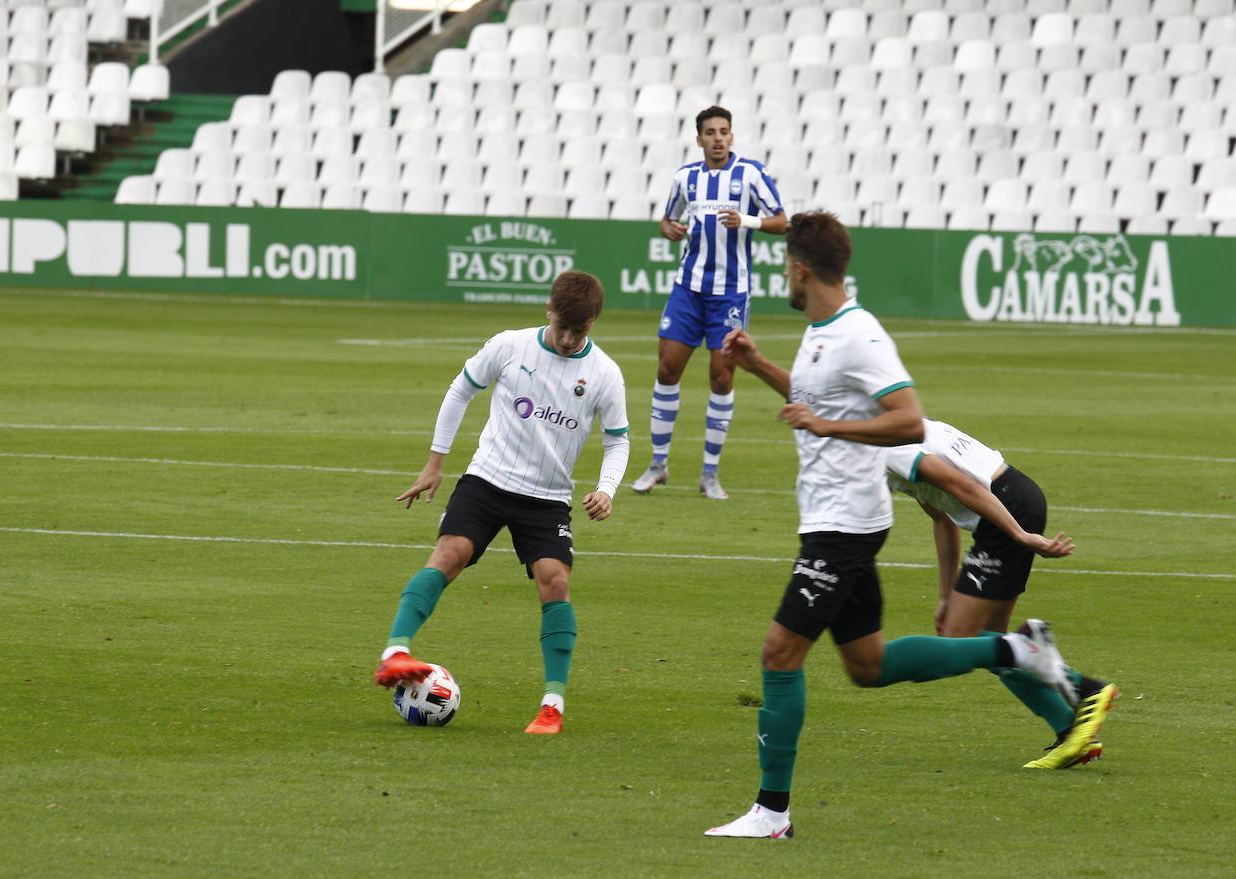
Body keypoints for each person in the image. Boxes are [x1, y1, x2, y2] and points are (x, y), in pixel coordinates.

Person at [704, 211, 1115, 839]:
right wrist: (760, 365)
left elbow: (910, 422)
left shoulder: (857, 335)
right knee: (866, 665)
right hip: (837, 520)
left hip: (842, 528)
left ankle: (772, 813)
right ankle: (1018, 650)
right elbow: (820, 402)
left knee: (780, 654)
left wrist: (828, 428)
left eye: (784, 264)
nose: (782, 275)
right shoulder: (819, 332)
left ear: (800, 267)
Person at [373, 270, 630, 735]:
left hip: (548, 498)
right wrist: (435, 463)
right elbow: (460, 391)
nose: (571, 340)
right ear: (548, 311)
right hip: (488, 479)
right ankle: (395, 653)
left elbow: (618, 441)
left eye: (582, 331)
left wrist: (607, 488)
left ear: (594, 322)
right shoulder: (510, 346)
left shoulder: (605, 374)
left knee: (555, 581)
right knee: (450, 554)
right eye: (564, 328)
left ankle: (552, 706)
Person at [885, 418, 1116, 769]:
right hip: (1012, 501)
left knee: (962, 637)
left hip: (1005, 509)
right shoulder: (893, 430)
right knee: (994, 645)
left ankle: (1084, 688)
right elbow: (942, 519)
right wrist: (946, 595)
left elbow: (965, 489)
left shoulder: (887, 445)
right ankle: (1071, 733)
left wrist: (1019, 534)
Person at [631, 105, 788, 500]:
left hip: (730, 293)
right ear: (699, 139)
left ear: (731, 137)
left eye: (724, 131)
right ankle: (657, 465)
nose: (718, 138)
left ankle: (710, 473)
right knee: (668, 371)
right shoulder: (685, 178)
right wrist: (668, 229)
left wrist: (748, 221)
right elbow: (668, 219)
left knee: (722, 377)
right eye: (710, 132)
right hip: (688, 288)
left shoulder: (750, 173)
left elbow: (783, 220)